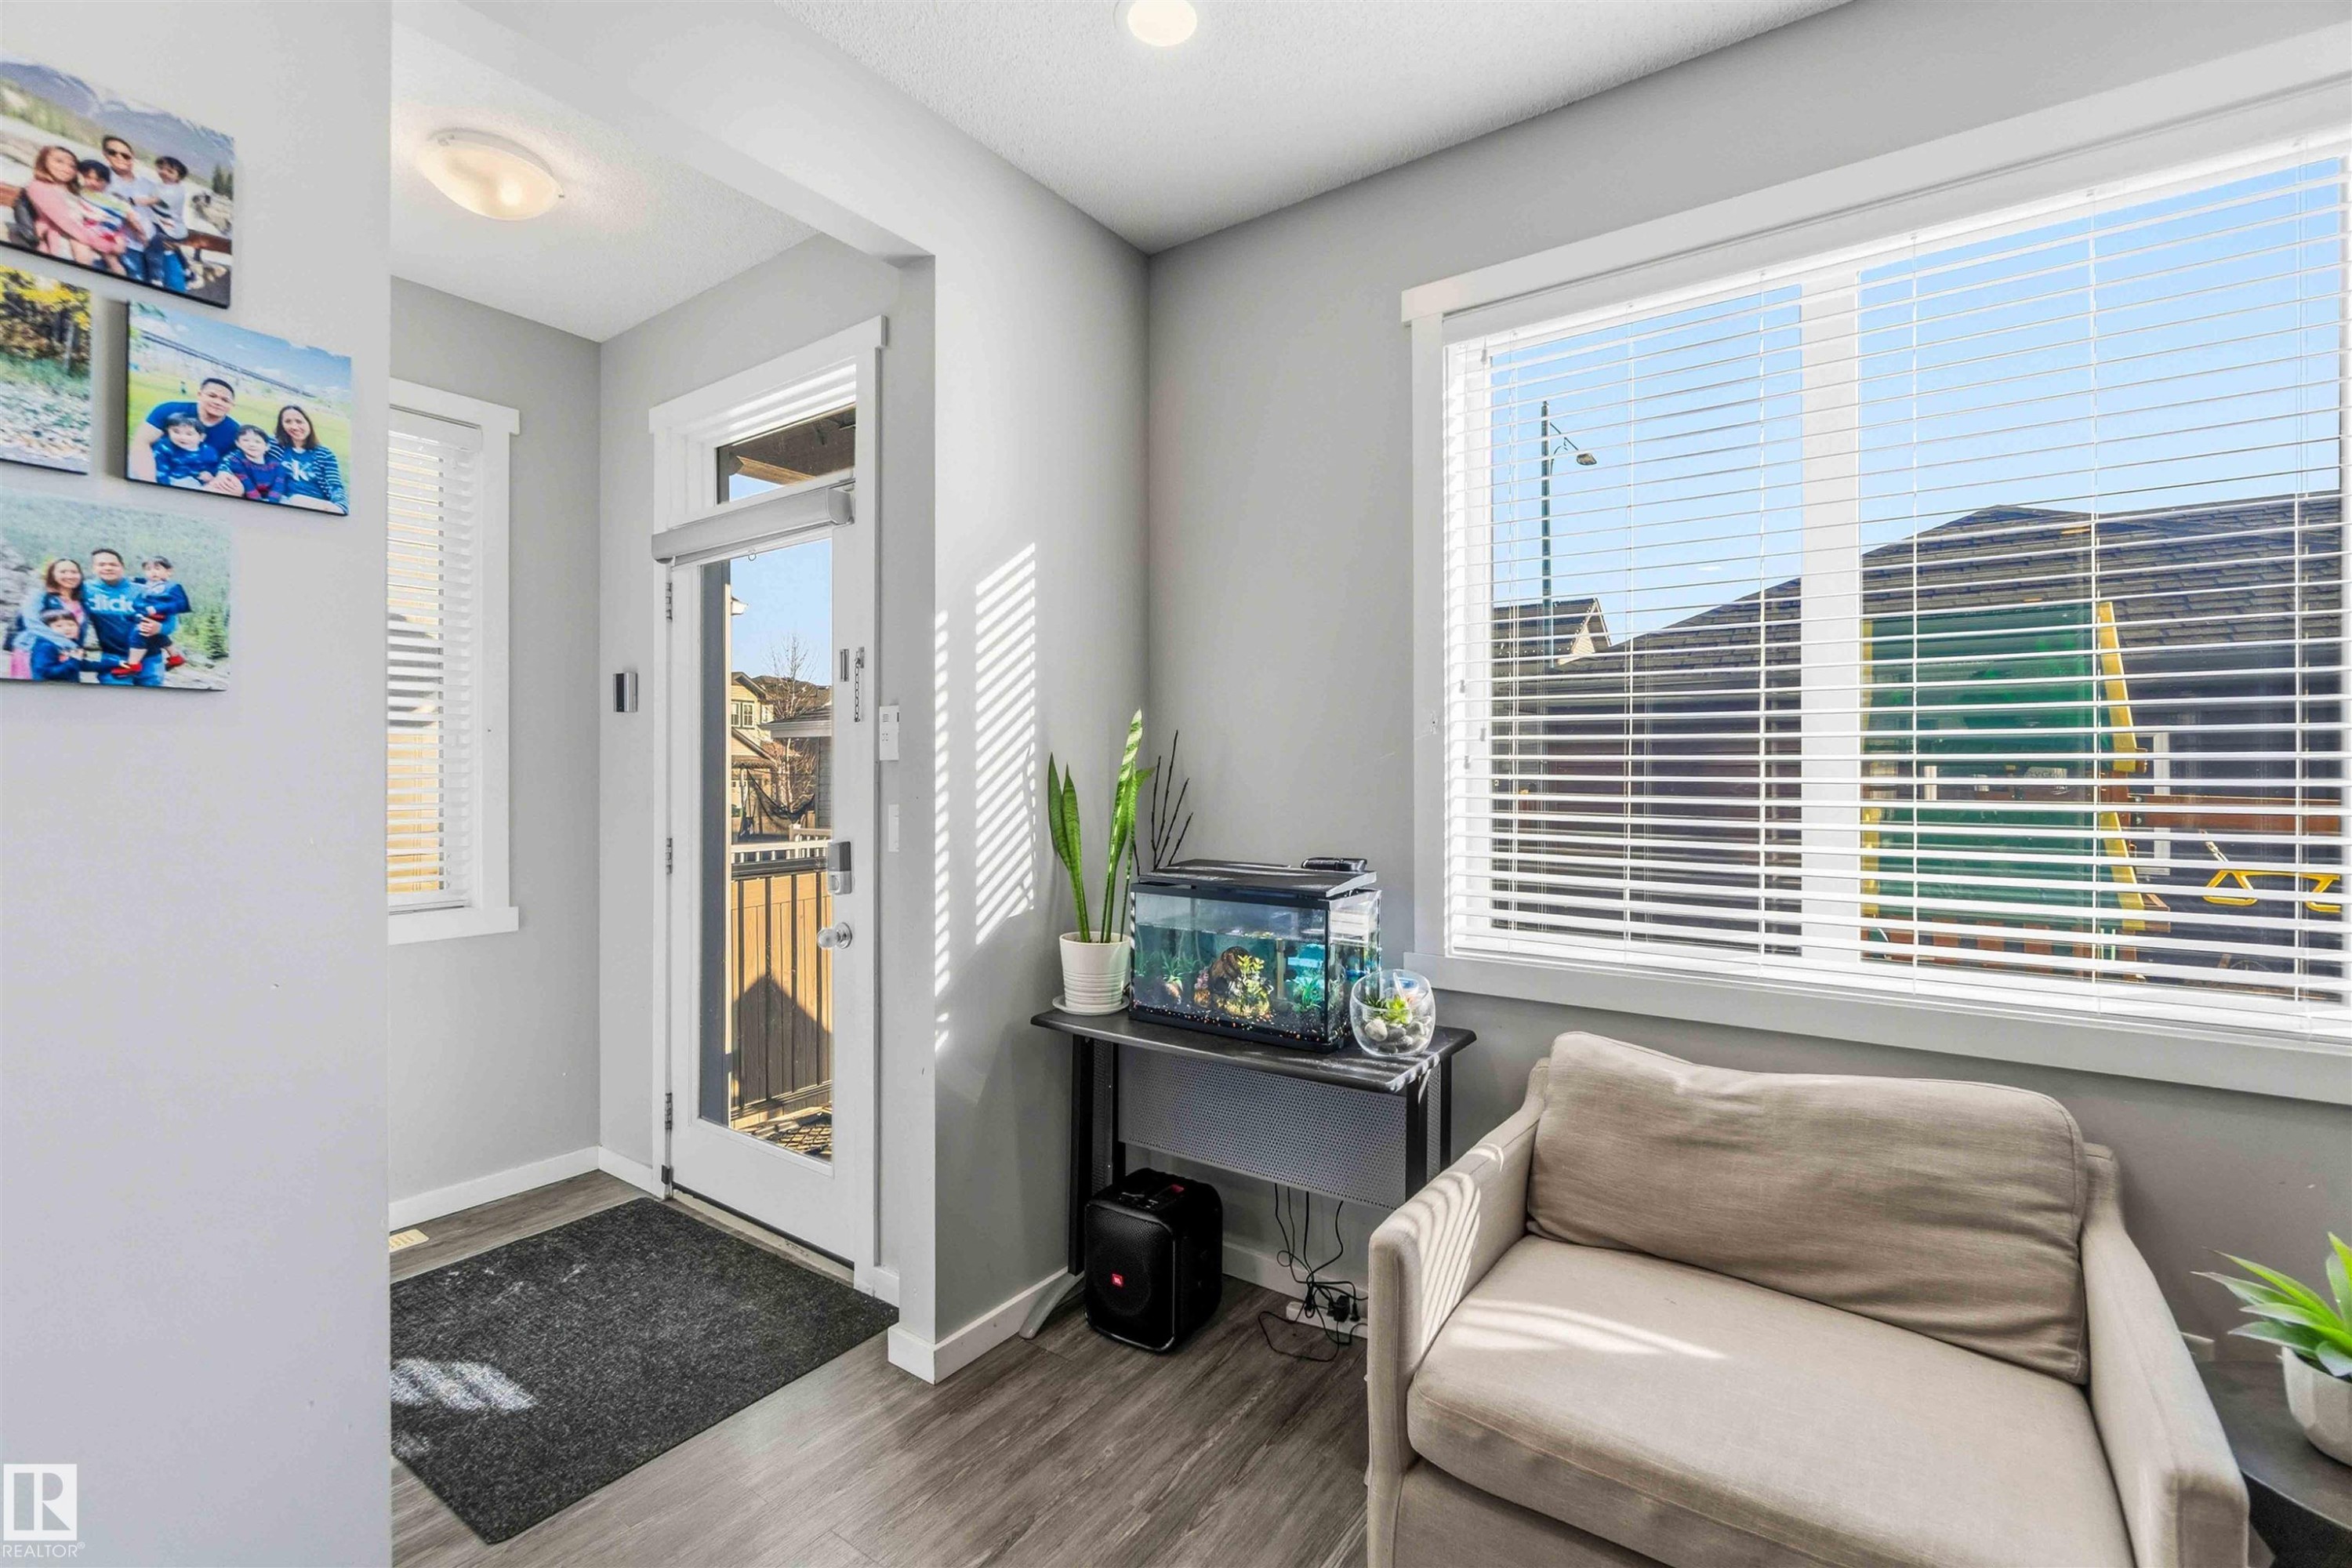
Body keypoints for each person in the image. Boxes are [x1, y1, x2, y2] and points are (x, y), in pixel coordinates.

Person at [16, 144, 119, 269]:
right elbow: (68, 224)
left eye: (72, 166)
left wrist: (117, 238)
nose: (66, 168)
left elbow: (105, 215)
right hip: (65, 251)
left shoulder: (77, 190)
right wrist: (109, 246)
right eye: (59, 161)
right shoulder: (39, 187)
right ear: (44, 161)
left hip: (95, 252)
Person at [132, 376, 241, 486]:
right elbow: (141, 443)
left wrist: (214, 477)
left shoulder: (236, 432)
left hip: (195, 480)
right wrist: (149, 481)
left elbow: (233, 465)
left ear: (232, 405)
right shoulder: (169, 409)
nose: (218, 402)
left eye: (225, 400)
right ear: (199, 395)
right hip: (154, 465)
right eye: (212, 396)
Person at [79, 549, 165, 688]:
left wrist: (161, 628)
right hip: (113, 657)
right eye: (102, 564)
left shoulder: (143, 590)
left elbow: (172, 621)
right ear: (93, 568)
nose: (107, 568)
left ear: (122, 567)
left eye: (113, 564)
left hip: (150, 658)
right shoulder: (85, 590)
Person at [5, 557, 86, 681]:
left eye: (74, 572)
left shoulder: (81, 601)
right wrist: (69, 646)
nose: (69, 576)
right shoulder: (39, 596)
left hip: (66, 655)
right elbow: (32, 624)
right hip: (34, 651)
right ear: (52, 575)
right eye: (63, 572)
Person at [114, 556, 191, 679]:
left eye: (157, 568)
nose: (153, 572)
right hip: (147, 614)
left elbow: (181, 604)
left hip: (159, 616)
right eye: (148, 569)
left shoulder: (172, 586)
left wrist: (158, 609)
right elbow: (137, 581)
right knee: (155, 635)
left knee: (138, 633)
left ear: (169, 571)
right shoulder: (148, 584)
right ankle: (175, 657)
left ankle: (133, 665)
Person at [73, 158, 143, 275]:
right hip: (94, 231)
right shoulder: (81, 192)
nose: (93, 183)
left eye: (98, 180)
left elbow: (123, 210)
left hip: (107, 231)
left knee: (112, 261)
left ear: (106, 183)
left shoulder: (108, 198)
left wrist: (141, 234)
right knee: (109, 259)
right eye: (87, 177)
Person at [271, 405, 347, 513]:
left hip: (316, 504)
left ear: (308, 423)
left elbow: (335, 486)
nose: (294, 426)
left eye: (299, 421)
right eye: (288, 422)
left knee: (297, 500)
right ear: (281, 425)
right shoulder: (274, 446)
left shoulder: (325, 454)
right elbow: (246, 441)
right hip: (284, 501)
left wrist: (340, 507)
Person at [151, 412, 220, 488]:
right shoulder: (164, 447)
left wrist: (210, 474)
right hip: (171, 479)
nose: (182, 437)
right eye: (176, 432)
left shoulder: (209, 452)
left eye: (189, 434)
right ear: (168, 432)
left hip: (196, 482)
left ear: (201, 437)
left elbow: (214, 467)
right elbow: (160, 471)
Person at [21, 604, 89, 681]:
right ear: (46, 629)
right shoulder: (45, 647)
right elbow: (46, 672)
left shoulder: (71, 644)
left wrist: (104, 661)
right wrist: (74, 660)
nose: (67, 629)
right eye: (59, 626)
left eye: (71, 625)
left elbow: (89, 660)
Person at [220, 424, 287, 502]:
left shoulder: (276, 465)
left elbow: (278, 485)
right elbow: (247, 484)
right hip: (249, 498)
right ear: (238, 443)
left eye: (258, 442)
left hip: (272, 499)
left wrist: (272, 501)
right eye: (246, 440)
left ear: (267, 447)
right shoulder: (236, 461)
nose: (252, 445)